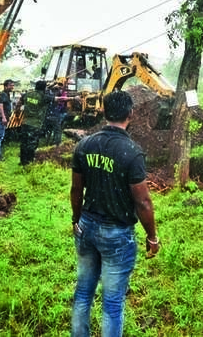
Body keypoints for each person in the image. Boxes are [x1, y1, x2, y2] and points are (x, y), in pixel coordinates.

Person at [70, 91, 160, 337]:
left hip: (86, 227)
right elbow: (143, 201)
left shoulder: (84, 145)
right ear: (130, 113)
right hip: (117, 236)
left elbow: (76, 189)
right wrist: (152, 237)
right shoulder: (131, 152)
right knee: (112, 303)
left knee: (83, 294)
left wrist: (76, 220)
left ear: (102, 111)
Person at [0, 79, 15, 161]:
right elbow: (0, 106)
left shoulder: (7, 94)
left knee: (1, 136)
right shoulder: (2, 94)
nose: (12, 87)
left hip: (3, 118)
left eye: (13, 85)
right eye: (11, 85)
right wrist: (3, 117)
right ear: (6, 86)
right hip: (1, 118)